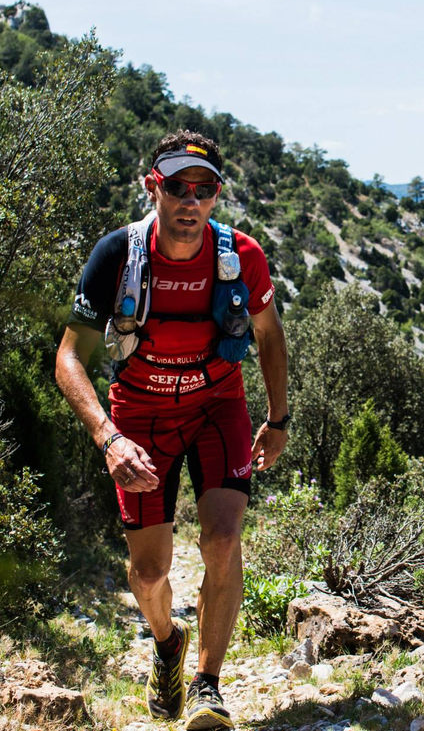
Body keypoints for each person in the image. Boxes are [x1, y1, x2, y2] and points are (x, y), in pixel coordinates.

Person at [55, 131, 288, 730]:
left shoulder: (242, 256)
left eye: (203, 189)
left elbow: (269, 334)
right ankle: (167, 644)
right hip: (139, 417)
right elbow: (69, 357)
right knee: (150, 573)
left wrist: (278, 418)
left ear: (216, 196)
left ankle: (208, 686)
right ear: (152, 186)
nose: (190, 200)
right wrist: (108, 437)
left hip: (218, 407)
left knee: (222, 539)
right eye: (178, 186)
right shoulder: (116, 255)